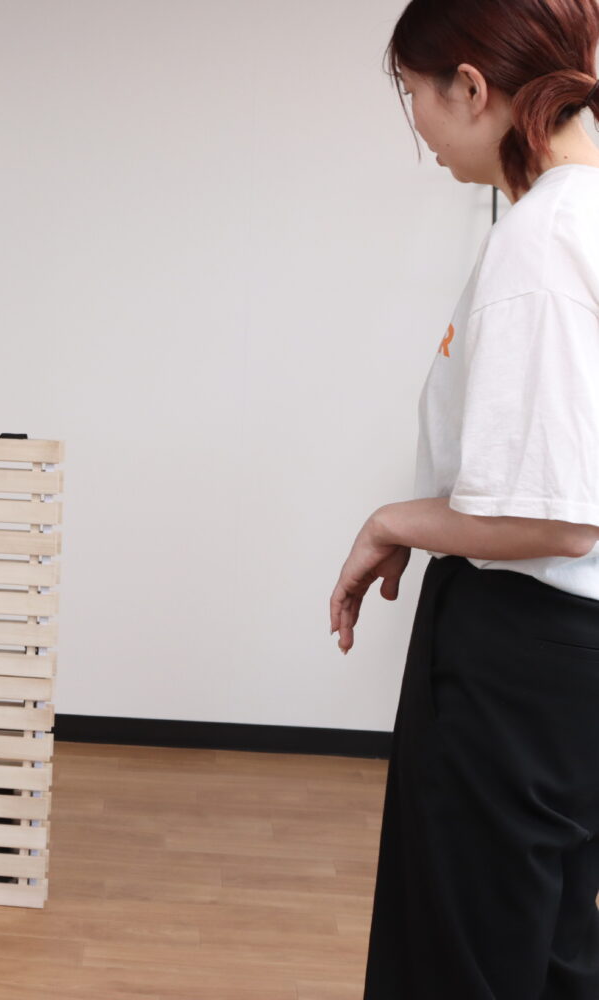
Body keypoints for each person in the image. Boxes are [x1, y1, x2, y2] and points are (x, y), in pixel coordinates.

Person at [330, 0, 599, 993]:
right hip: (564, 665)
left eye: (414, 93)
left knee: (466, 961)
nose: (418, 126)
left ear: (472, 86)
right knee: (549, 950)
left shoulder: (544, 237)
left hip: (520, 660)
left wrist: (392, 519)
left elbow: (559, 515)